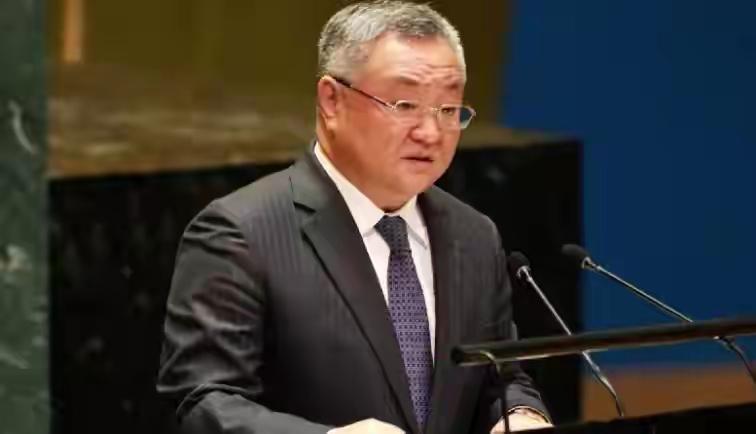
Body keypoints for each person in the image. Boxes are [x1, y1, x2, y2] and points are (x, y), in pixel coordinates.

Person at [157, 2, 552, 433]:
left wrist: (520, 413)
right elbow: (203, 402)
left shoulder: (473, 235)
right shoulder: (240, 234)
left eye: (447, 109)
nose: (430, 132)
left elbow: (500, 379)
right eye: (405, 104)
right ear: (332, 100)